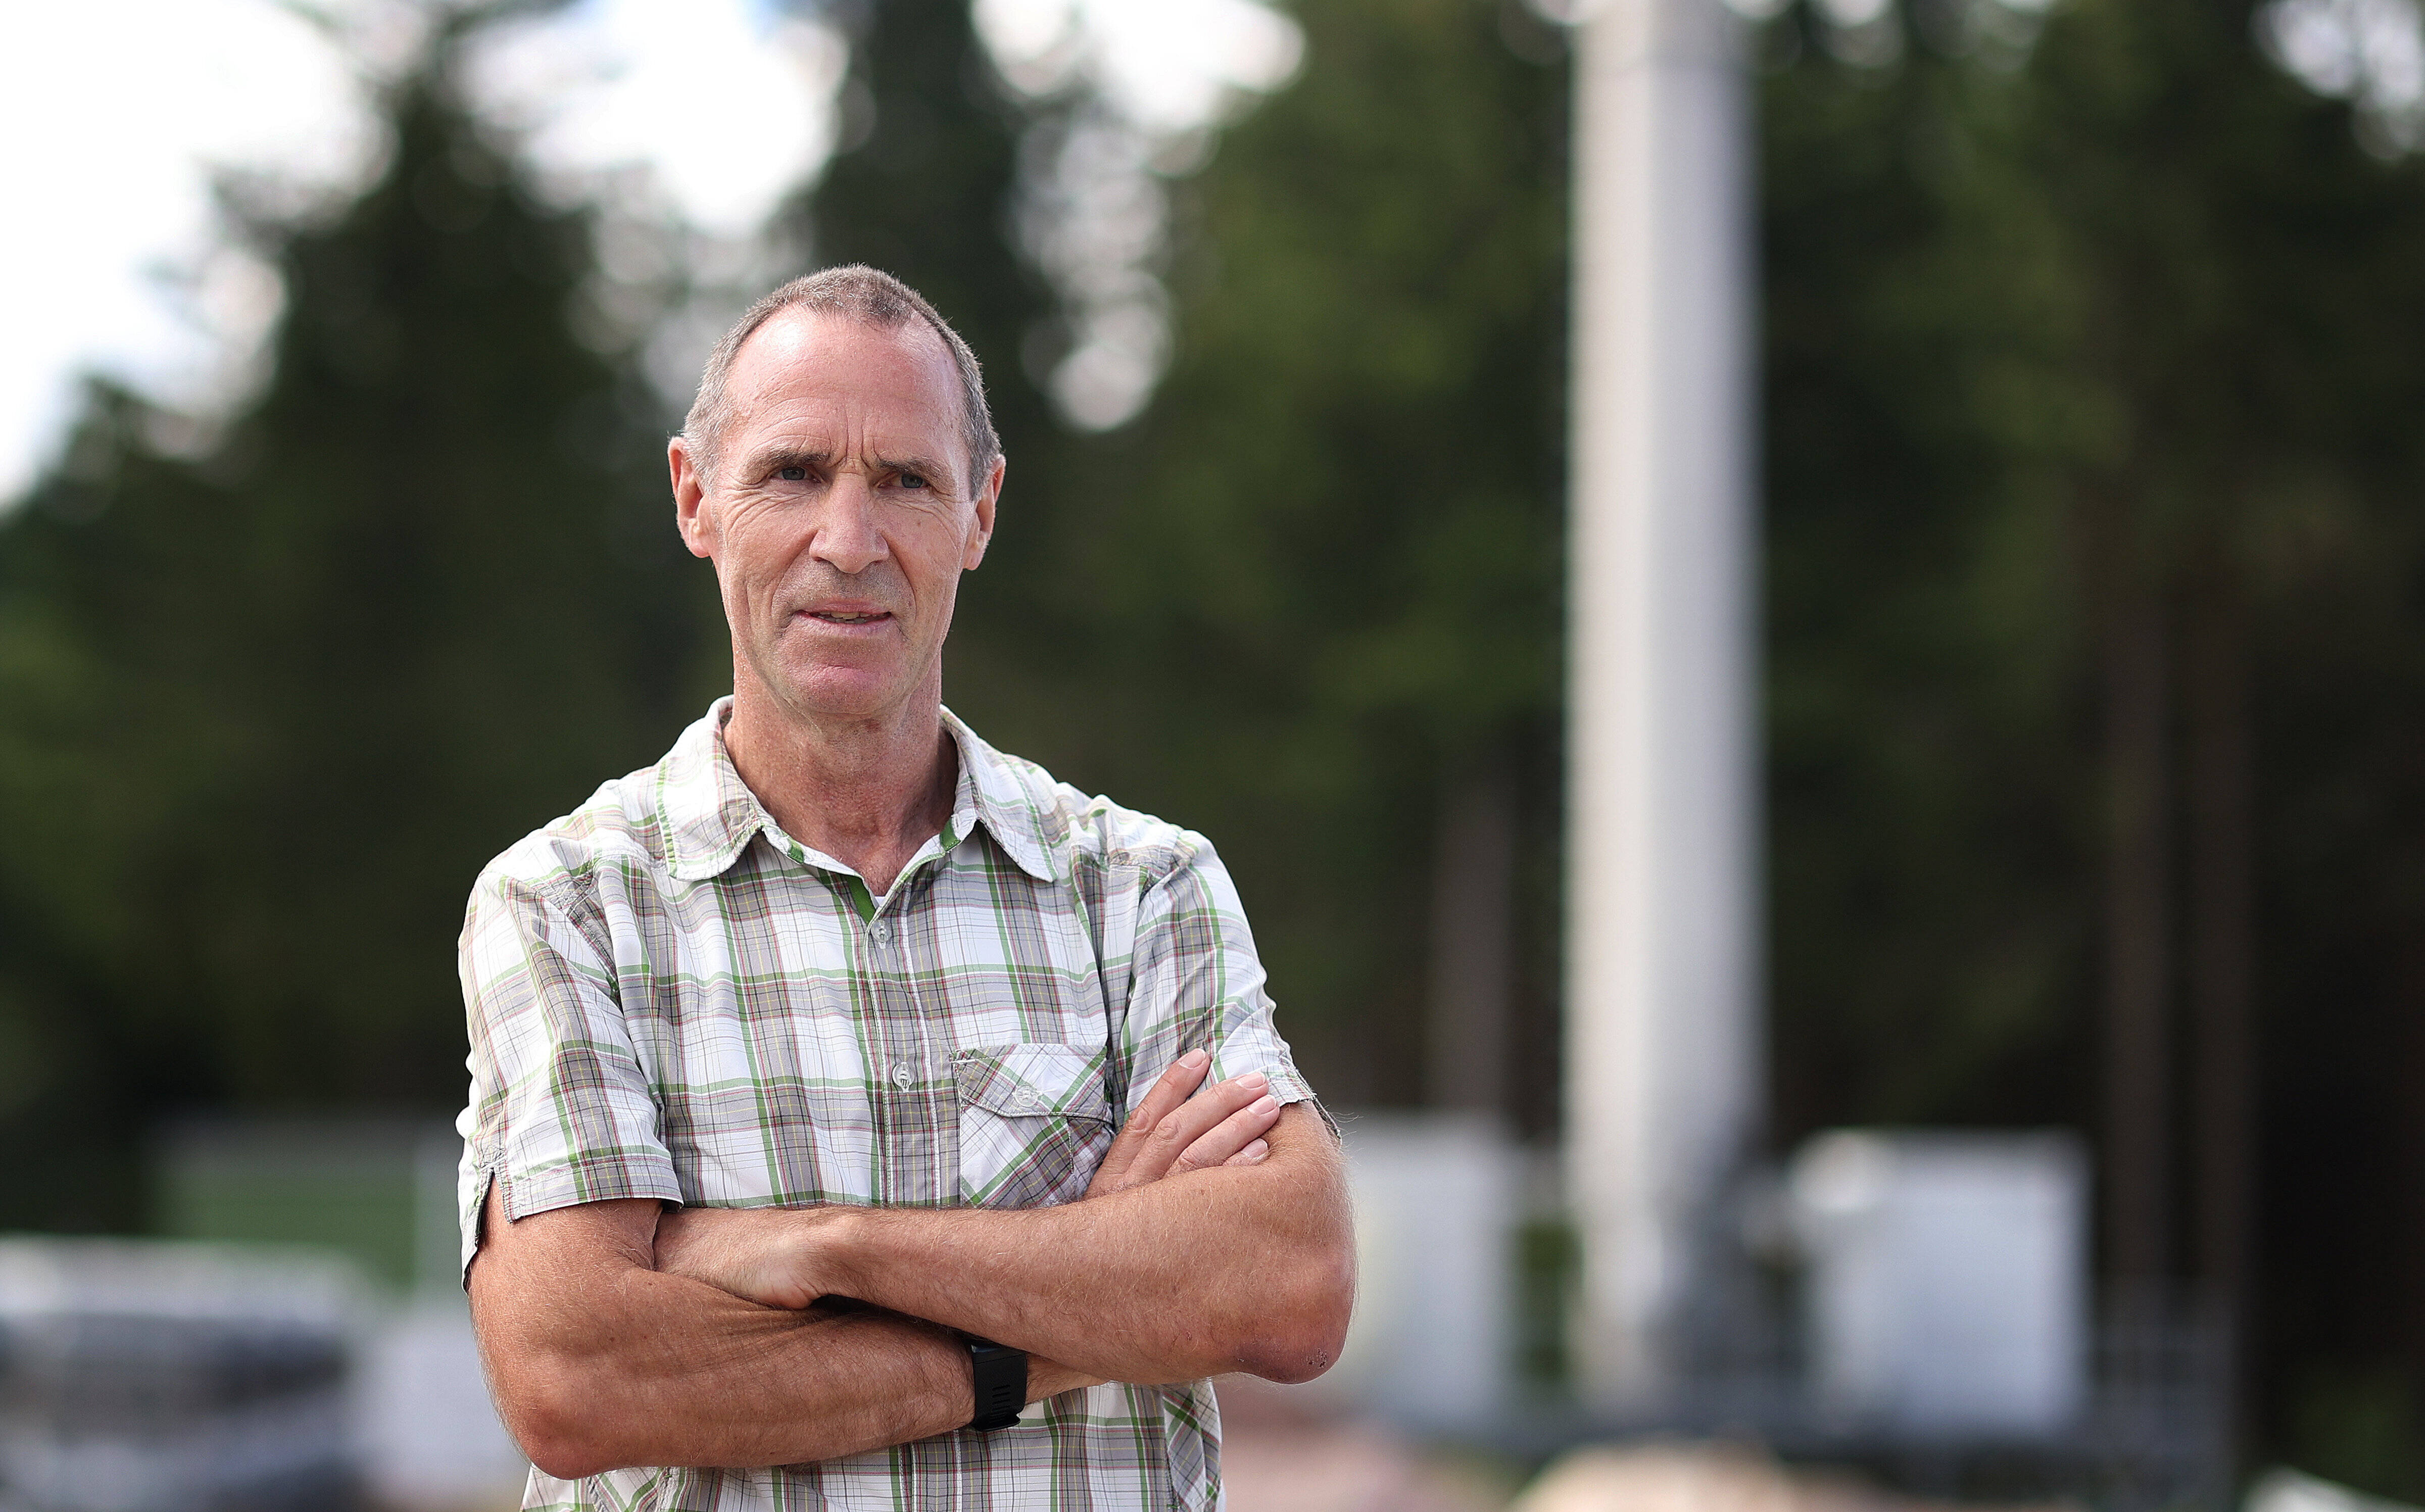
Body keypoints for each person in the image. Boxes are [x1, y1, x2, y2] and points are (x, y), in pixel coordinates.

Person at [455, 264, 1355, 1510]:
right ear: (695, 497)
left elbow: (1290, 1285)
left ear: (978, 514)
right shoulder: (568, 906)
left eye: (905, 481)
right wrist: (1080, 1300)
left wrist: (822, 1247)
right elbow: (576, 1380)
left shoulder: (1143, 891)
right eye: (792, 473)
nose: (848, 541)